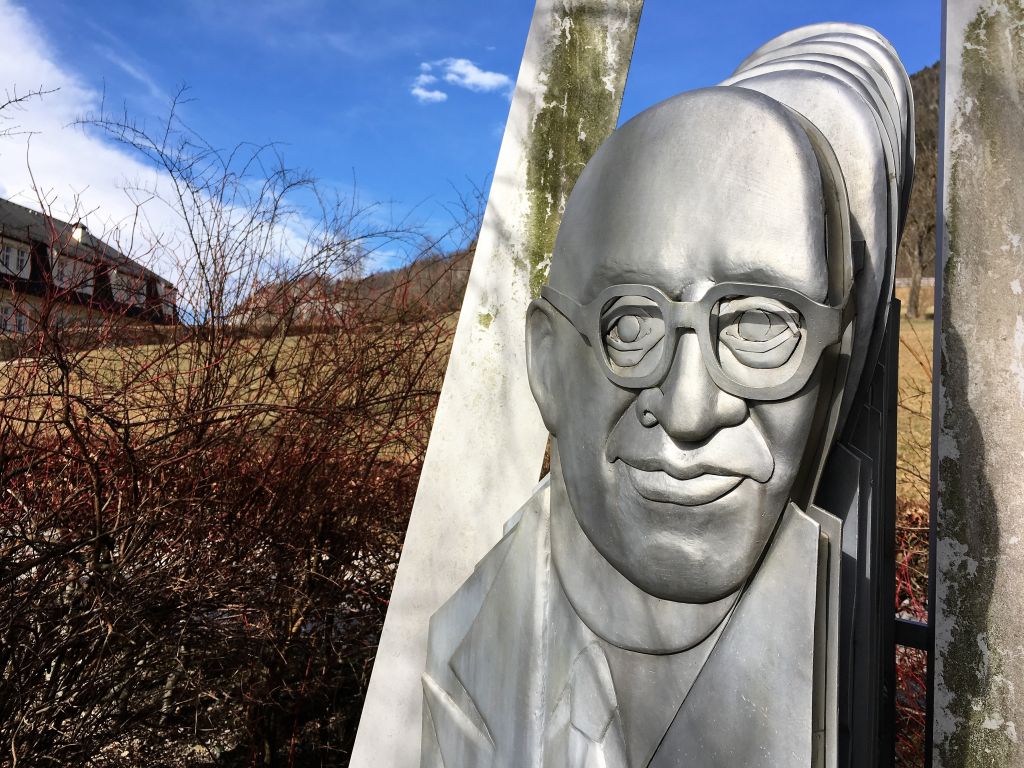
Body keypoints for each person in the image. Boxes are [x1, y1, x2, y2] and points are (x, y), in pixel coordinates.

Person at [420, 25, 911, 767]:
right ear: (548, 366)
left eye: (757, 324)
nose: (688, 410)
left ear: (835, 364)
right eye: (634, 324)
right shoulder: (472, 655)